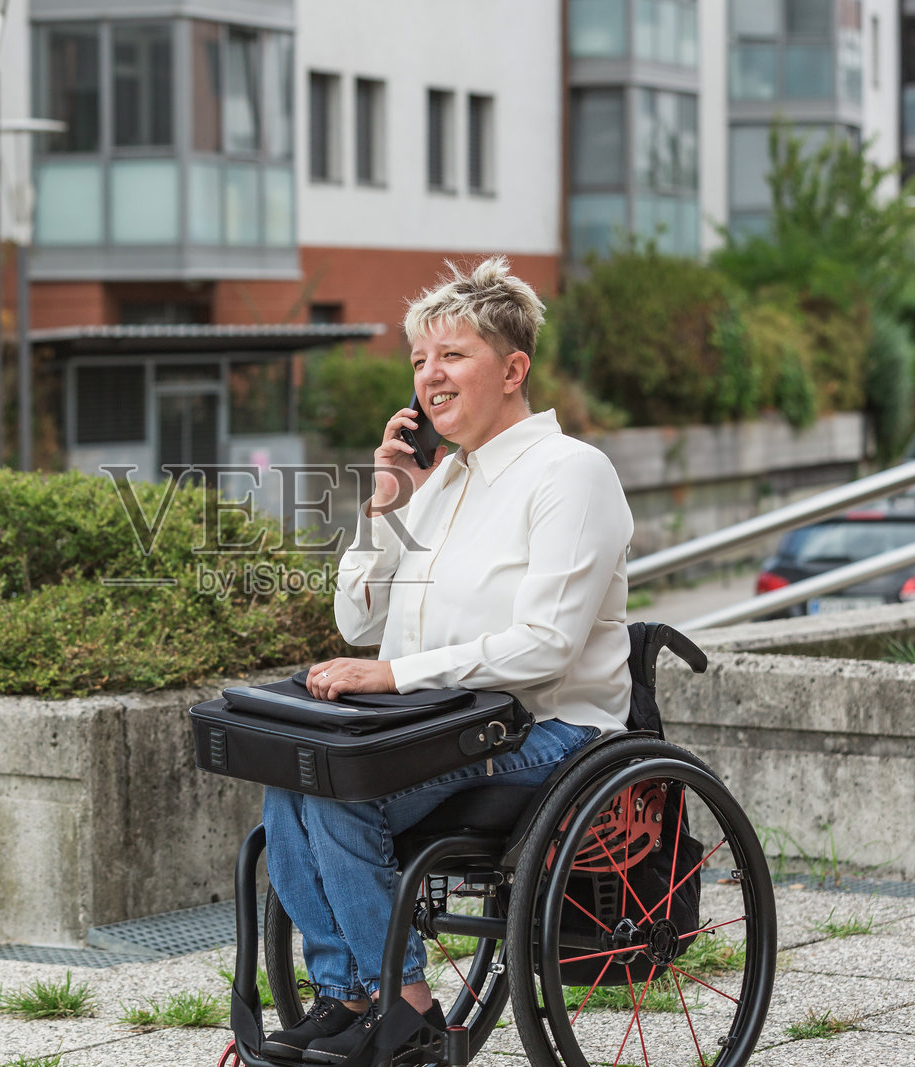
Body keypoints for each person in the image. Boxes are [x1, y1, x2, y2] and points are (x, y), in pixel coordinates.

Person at [259, 257, 635, 1063]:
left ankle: (406, 1007)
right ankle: (350, 995)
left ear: (513, 368)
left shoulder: (570, 475)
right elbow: (357, 616)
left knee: (340, 793)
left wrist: (393, 676)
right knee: (287, 780)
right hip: (440, 725)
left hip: (547, 729)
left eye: (452, 355)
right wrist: (385, 502)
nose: (430, 376)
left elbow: (547, 647)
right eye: (419, 360)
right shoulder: (439, 481)